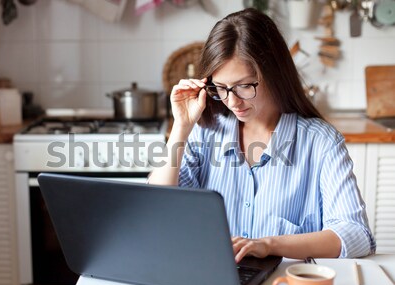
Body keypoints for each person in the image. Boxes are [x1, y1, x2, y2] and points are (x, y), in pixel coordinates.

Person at [148, 8, 375, 262]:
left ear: (274, 74)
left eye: (244, 86)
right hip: (216, 284)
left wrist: (268, 244)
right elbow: (157, 208)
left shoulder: (321, 142)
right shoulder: (206, 132)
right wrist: (181, 127)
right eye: (221, 88)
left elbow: (356, 234)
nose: (232, 101)